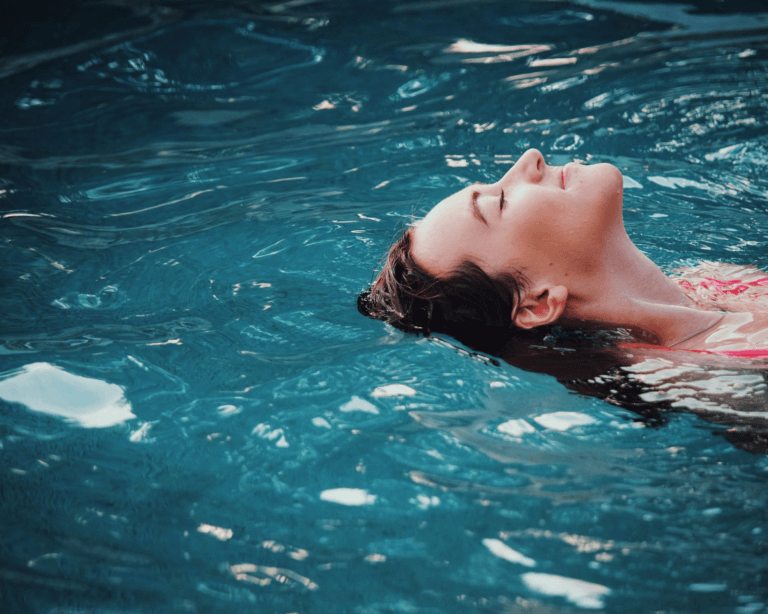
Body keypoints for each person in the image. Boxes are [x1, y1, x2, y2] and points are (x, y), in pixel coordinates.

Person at [358, 148, 768, 357]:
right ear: (537, 304)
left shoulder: (719, 279)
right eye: (498, 202)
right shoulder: (715, 374)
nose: (529, 159)